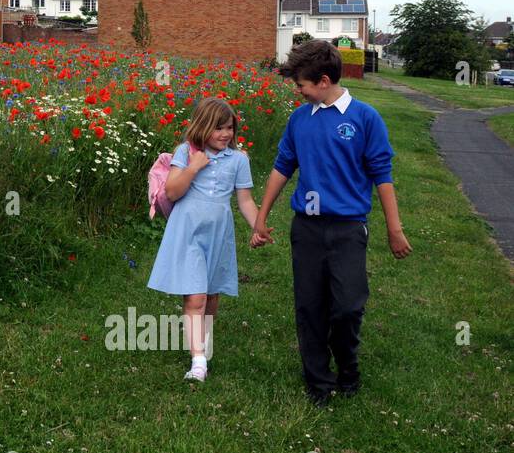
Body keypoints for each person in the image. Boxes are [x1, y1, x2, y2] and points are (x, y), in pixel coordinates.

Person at [251, 39, 412, 407]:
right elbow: (282, 167)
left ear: (323, 81)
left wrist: (394, 228)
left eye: (302, 84)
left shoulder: (365, 118)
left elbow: (382, 175)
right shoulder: (298, 119)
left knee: (347, 306)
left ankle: (348, 366)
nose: (298, 90)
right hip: (306, 229)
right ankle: (318, 382)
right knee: (309, 306)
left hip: (347, 229)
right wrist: (260, 217)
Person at [147, 97, 259, 381]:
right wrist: (194, 167)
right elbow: (172, 191)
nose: (225, 134)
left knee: (210, 296)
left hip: (219, 235)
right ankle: (198, 362)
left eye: (230, 128)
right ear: (202, 127)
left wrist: (258, 226)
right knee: (195, 297)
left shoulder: (239, 160)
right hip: (188, 233)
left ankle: (202, 343)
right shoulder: (186, 152)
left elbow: (244, 200)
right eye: (218, 128)